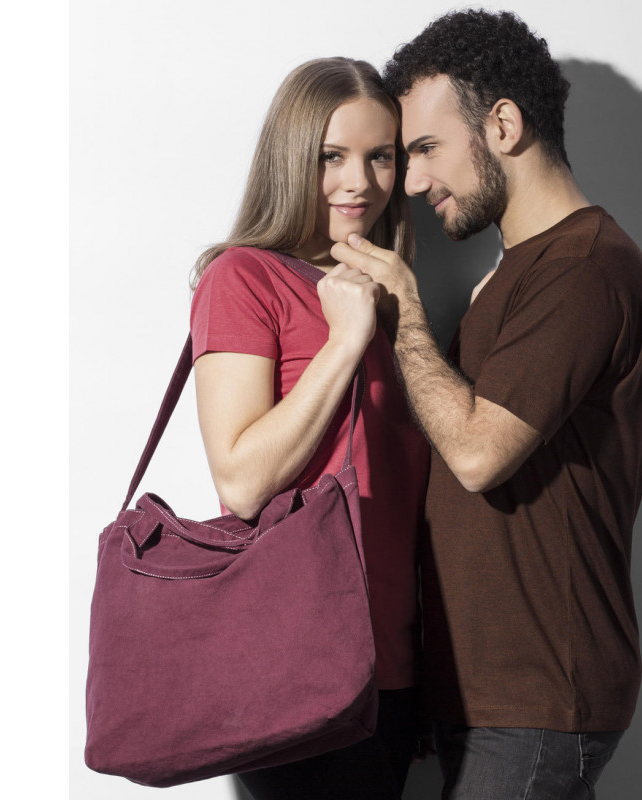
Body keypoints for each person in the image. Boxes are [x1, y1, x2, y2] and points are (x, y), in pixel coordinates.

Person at [332, 10, 642, 799]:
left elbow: (478, 455)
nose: (412, 183)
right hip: (491, 699)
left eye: (425, 149)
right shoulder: (518, 272)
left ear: (504, 125)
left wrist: (406, 314)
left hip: (539, 697)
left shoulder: (584, 267)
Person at [189, 58, 428, 799]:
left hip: (393, 668)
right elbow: (241, 480)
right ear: (292, 157)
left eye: (380, 156)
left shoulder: (388, 292)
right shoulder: (243, 278)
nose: (360, 182)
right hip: (296, 663)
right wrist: (345, 341)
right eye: (332, 156)